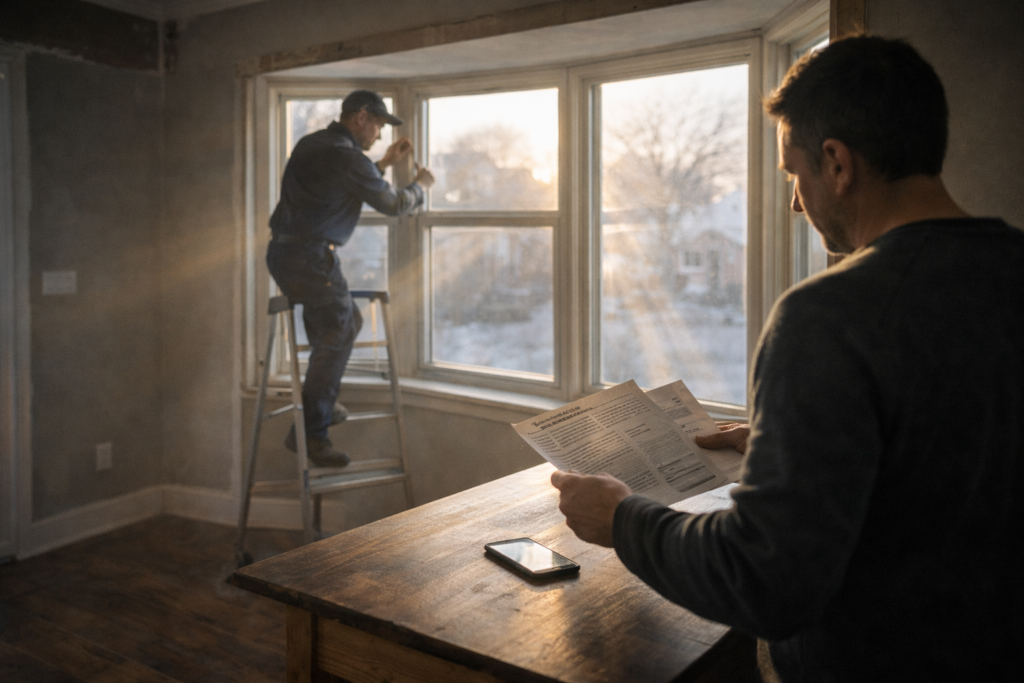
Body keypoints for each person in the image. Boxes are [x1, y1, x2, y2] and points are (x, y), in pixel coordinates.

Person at [552, 36, 1024, 682]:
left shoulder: (827, 318)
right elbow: (951, 467)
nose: (796, 202)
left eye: (793, 175)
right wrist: (797, 449)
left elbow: (764, 578)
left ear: (836, 163)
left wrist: (622, 519)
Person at [267, 90, 434, 466]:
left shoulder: (315, 143)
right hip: (310, 258)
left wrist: (384, 163)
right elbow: (392, 204)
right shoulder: (345, 155)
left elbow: (341, 184)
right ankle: (313, 433)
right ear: (361, 117)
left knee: (341, 326)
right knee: (340, 331)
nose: (378, 135)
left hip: (285, 253)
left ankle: (318, 405)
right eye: (377, 126)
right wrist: (421, 186)